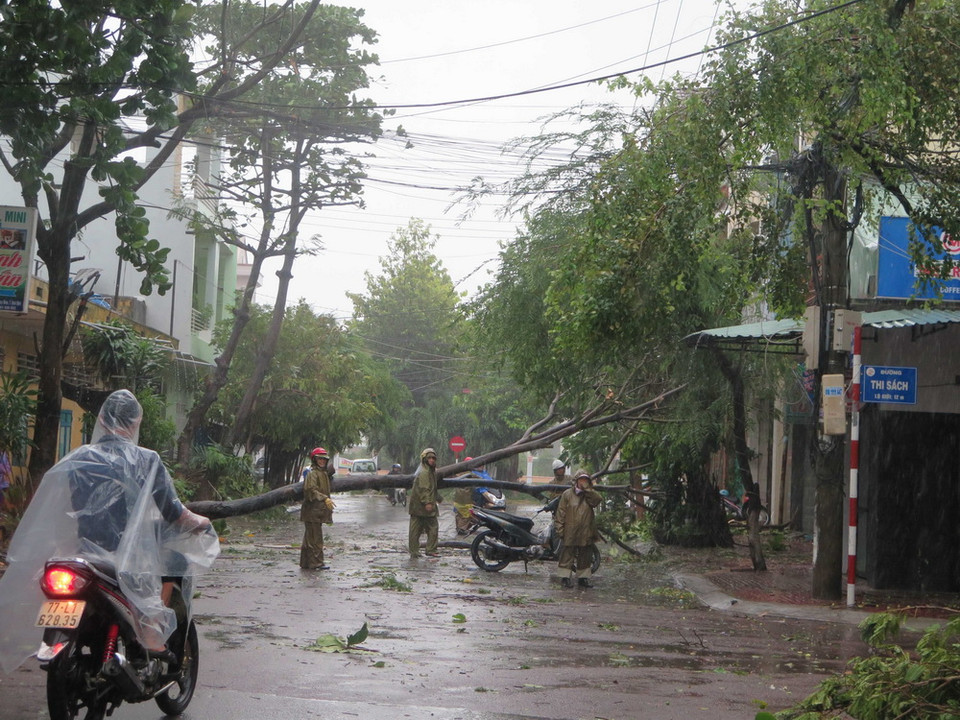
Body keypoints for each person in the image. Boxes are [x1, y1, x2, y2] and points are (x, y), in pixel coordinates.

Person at [0, 389, 220, 673]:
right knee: (175, 562)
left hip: (84, 554)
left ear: (101, 419)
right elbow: (174, 514)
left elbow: (63, 512)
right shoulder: (147, 460)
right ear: (137, 421)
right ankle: (150, 630)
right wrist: (201, 522)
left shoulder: (78, 459)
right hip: (127, 559)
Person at [554, 470, 602, 588]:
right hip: (570, 529)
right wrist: (560, 529)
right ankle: (565, 578)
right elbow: (561, 513)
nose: (583, 482)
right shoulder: (567, 494)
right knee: (567, 554)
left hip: (586, 529)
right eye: (581, 480)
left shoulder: (590, 495)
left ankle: (583, 578)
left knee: (585, 554)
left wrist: (588, 490)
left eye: (585, 480)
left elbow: (597, 500)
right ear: (576, 481)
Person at [300, 447, 335, 570]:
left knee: (309, 538)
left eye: (324, 459)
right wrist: (325, 498)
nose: (322, 461)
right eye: (320, 459)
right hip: (312, 511)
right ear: (315, 459)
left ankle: (306, 563)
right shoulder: (312, 473)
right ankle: (316, 563)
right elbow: (311, 490)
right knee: (315, 539)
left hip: (317, 511)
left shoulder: (323, 473)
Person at [409, 447, 441, 558]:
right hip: (421, 506)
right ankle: (427, 550)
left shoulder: (430, 471)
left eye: (433, 458)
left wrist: (438, 498)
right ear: (425, 459)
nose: (432, 460)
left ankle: (417, 551)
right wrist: (428, 502)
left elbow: (432, 488)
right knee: (422, 529)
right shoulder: (424, 472)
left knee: (421, 529)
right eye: (430, 458)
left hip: (421, 506)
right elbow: (424, 489)